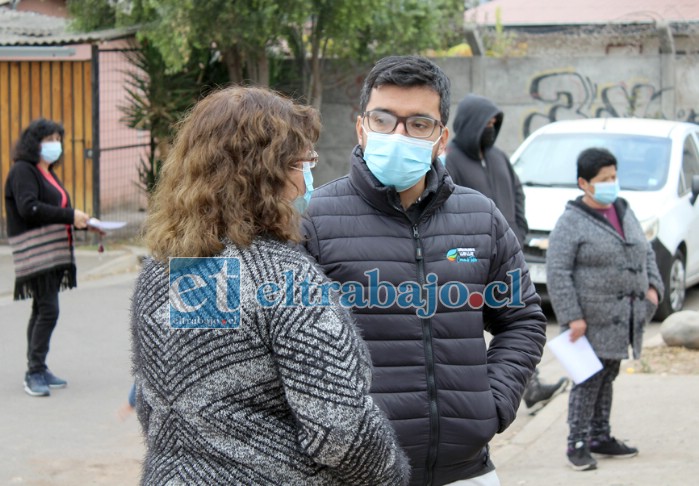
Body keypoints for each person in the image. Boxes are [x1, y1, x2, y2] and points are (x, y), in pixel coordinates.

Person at [130, 86, 410, 485]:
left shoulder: (168, 270)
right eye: (302, 162)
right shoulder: (285, 279)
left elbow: (159, 404)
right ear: (265, 173)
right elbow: (339, 432)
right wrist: (392, 474)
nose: (309, 175)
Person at [302, 56, 547, 485]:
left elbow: (522, 320)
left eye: (418, 124)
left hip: (466, 471)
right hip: (359, 475)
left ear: (441, 138)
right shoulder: (315, 220)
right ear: (361, 127)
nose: (398, 134)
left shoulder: (480, 217)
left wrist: (492, 404)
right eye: (384, 119)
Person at [446, 94, 568, 414]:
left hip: (507, 259)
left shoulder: (499, 157)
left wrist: (520, 236)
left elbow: (518, 195)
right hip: (467, 262)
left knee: (517, 323)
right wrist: (462, 257)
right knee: (471, 327)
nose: (491, 129)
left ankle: (529, 384)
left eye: (495, 124)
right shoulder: (451, 161)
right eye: (486, 123)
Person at [546, 147, 663, 471]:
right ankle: (578, 443)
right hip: (590, 319)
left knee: (608, 375)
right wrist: (572, 316)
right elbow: (557, 271)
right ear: (584, 183)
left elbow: (646, 250)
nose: (612, 183)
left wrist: (653, 289)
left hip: (625, 317)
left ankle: (600, 435)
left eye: (614, 176)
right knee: (588, 378)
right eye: (604, 179)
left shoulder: (624, 209)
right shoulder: (571, 221)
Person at [5, 118, 92, 397]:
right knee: (48, 310)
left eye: (58, 139)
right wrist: (70, 215)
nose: (56, 145)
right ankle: (33, 372)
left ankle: (38, 366)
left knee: (42, 309)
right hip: (37, 252)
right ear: (35, 143)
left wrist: (82, 220)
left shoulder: (48, 172)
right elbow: (29, 208)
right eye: (50, 139)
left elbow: (56, 208)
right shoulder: (23, 170)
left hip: (53, 252)